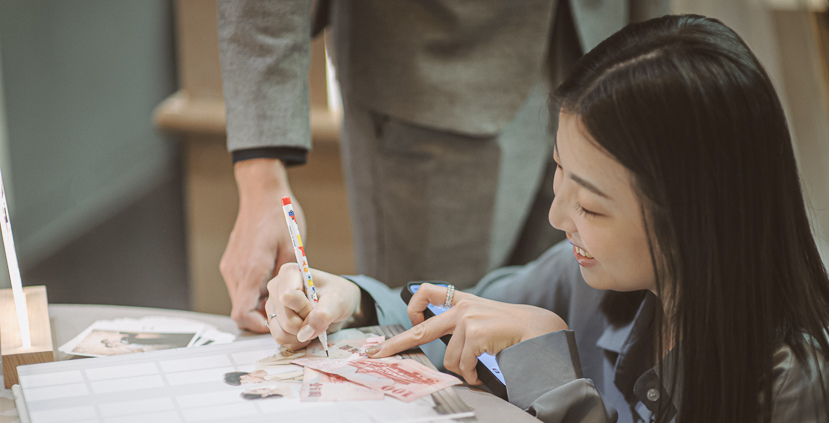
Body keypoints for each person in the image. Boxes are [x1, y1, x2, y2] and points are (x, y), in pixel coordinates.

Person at [262, 14, 829, 423]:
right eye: (560, 175)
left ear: (692, 217)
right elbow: (450, 321)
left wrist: (552, 375)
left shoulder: (798, 390)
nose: (559, 218)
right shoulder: (595, 276)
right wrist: (348, 298)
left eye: (590, 206)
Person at [217, 0, 670, 331]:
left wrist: (659, 70)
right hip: (430, 80)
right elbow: (430, 321)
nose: (561, 213)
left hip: (599, 42)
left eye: (589, 205)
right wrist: (359, 301)